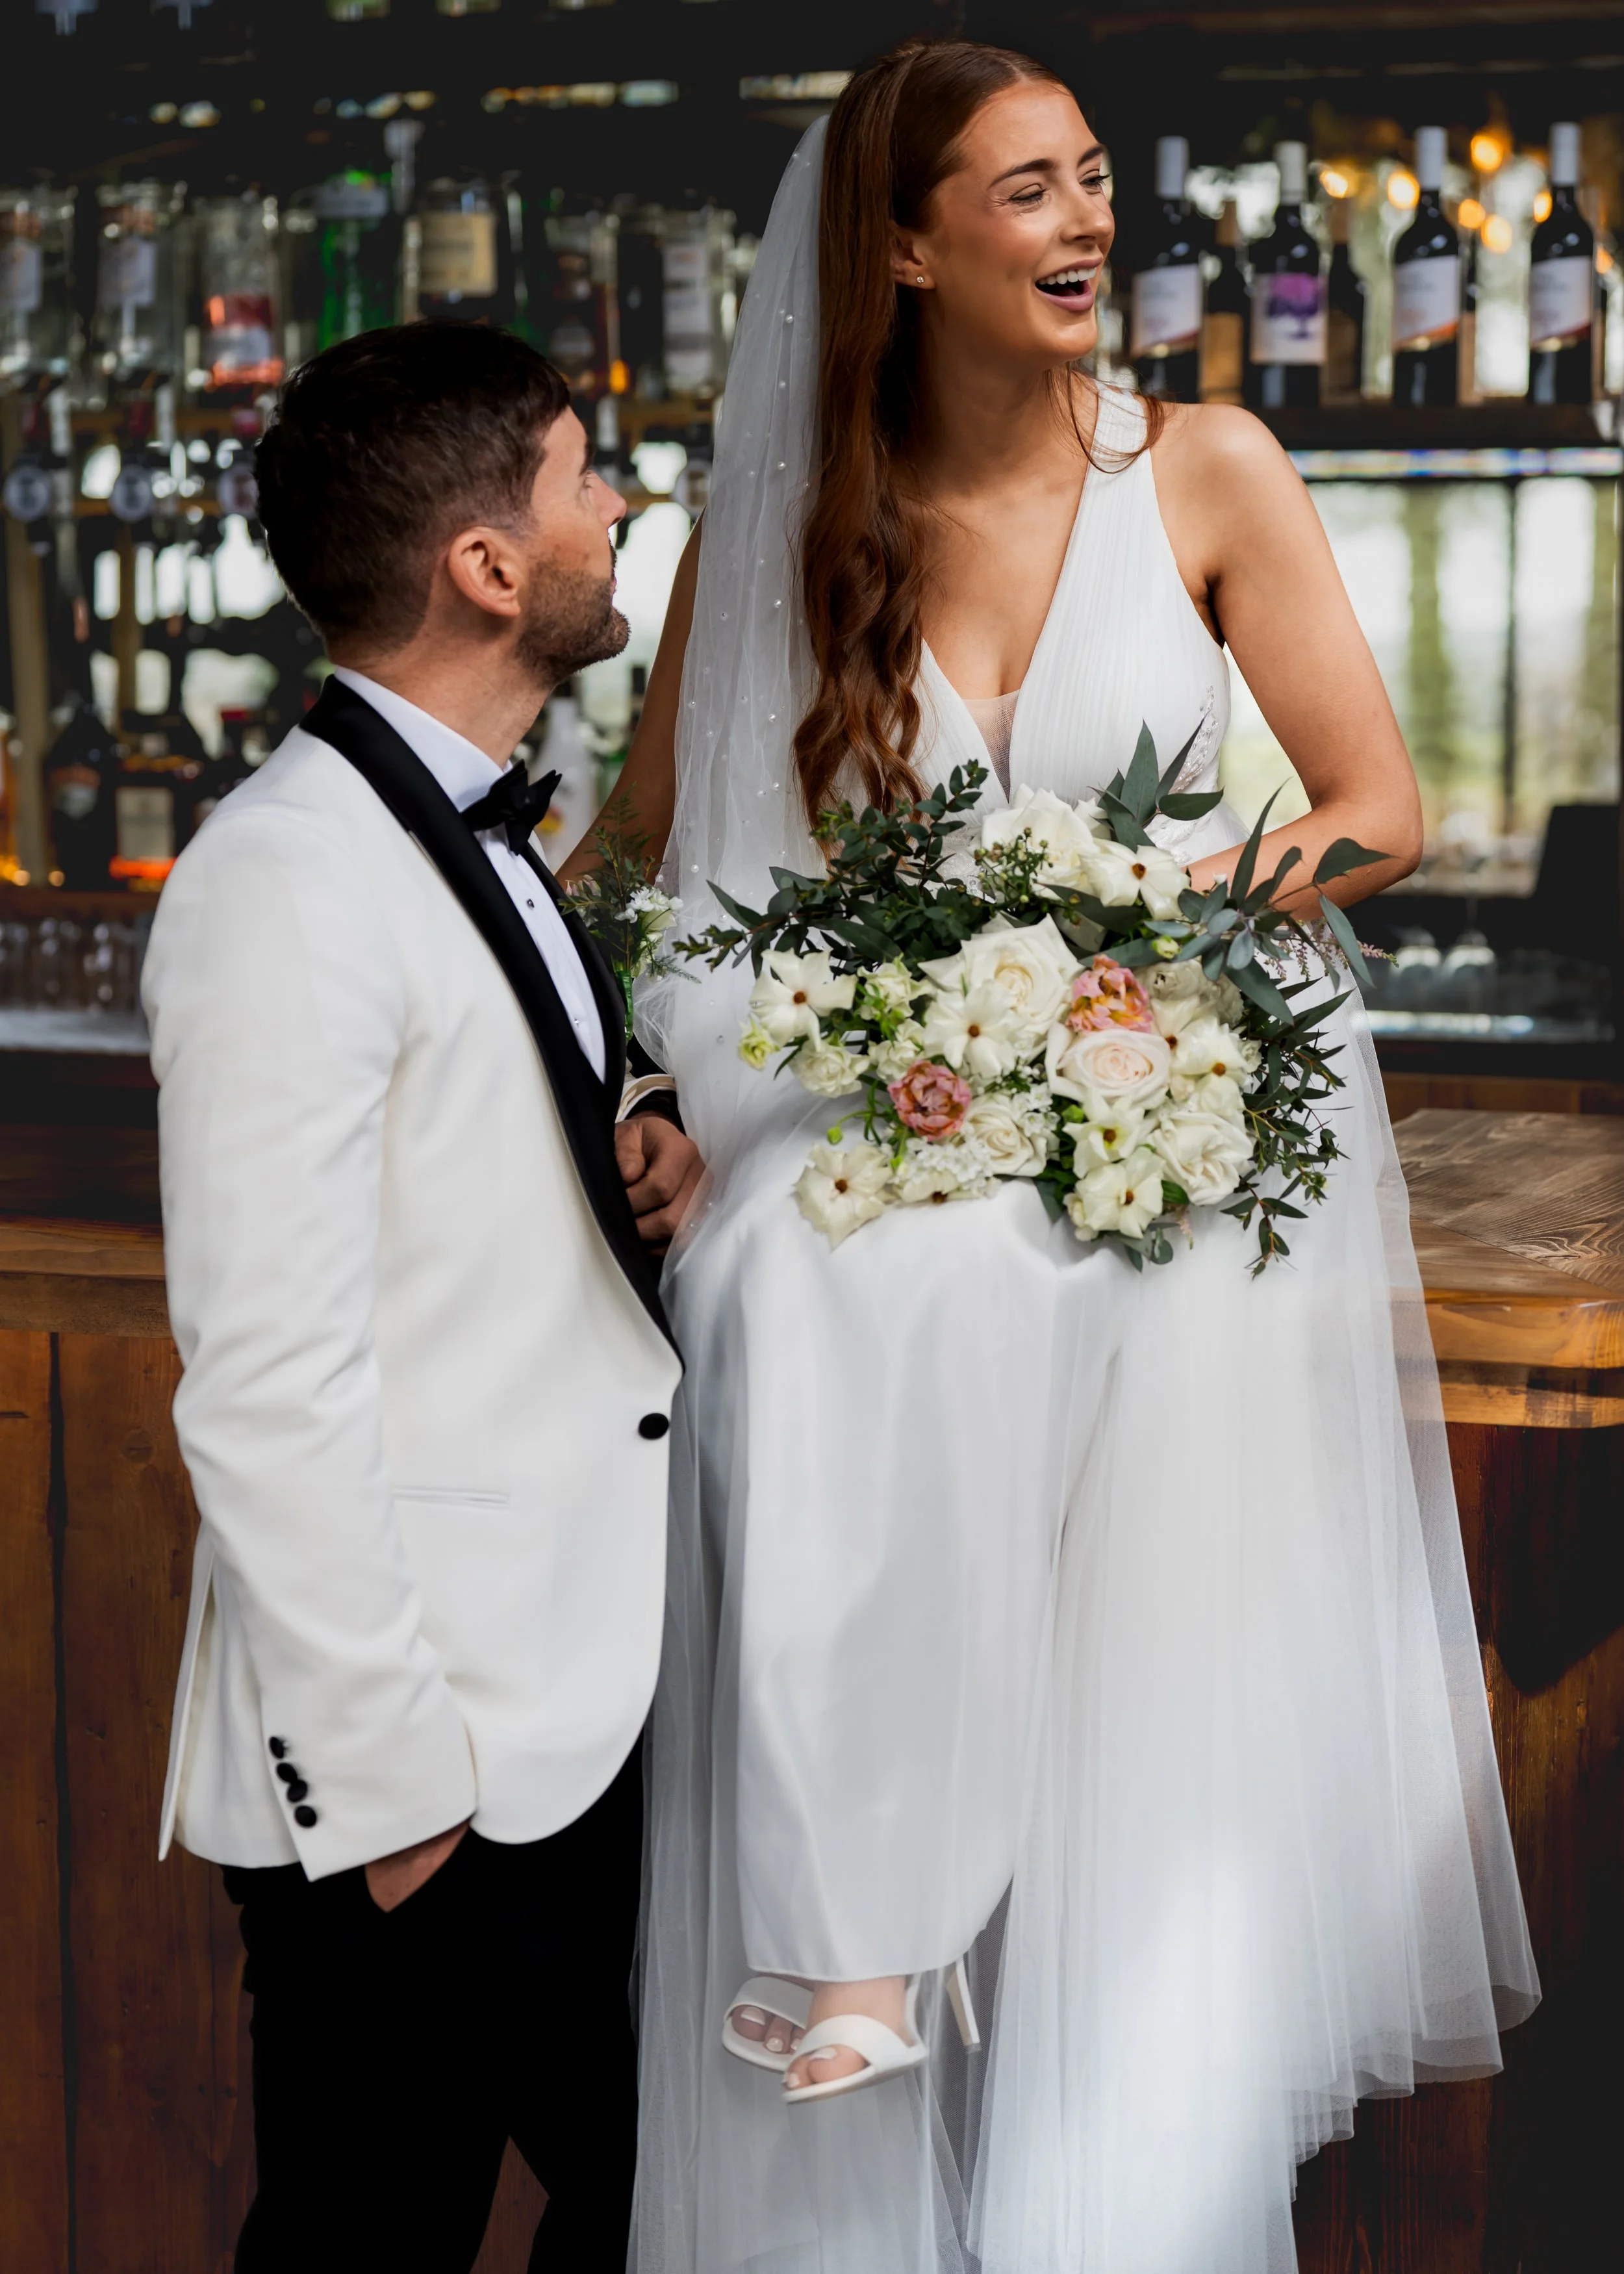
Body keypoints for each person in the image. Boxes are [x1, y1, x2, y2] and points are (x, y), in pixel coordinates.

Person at [574, 40, 1539, 2274]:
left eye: (1095, 180)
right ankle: (853, 1942)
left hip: (1170, 1084)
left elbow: (1375, 803)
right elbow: (658, 881)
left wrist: (1194, 919)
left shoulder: (1206, 468)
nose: (1089, 224)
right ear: (902, 246)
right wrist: (662, 1094)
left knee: (979, 1288)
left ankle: (945, 1970)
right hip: (918, 1095)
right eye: (1028, 193)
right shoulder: (786, 530)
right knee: (798, 1287)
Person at [142, 322, 702, 2274]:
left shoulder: (463, 818)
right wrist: (397, 1802)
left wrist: (626, 1117)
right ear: (486, 563)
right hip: (428, 1752)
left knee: (643, 2214)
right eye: (580, 477)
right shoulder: (284, 878)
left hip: (557, 1704)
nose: (618, 502)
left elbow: (478, 1126)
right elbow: (264, 1382)